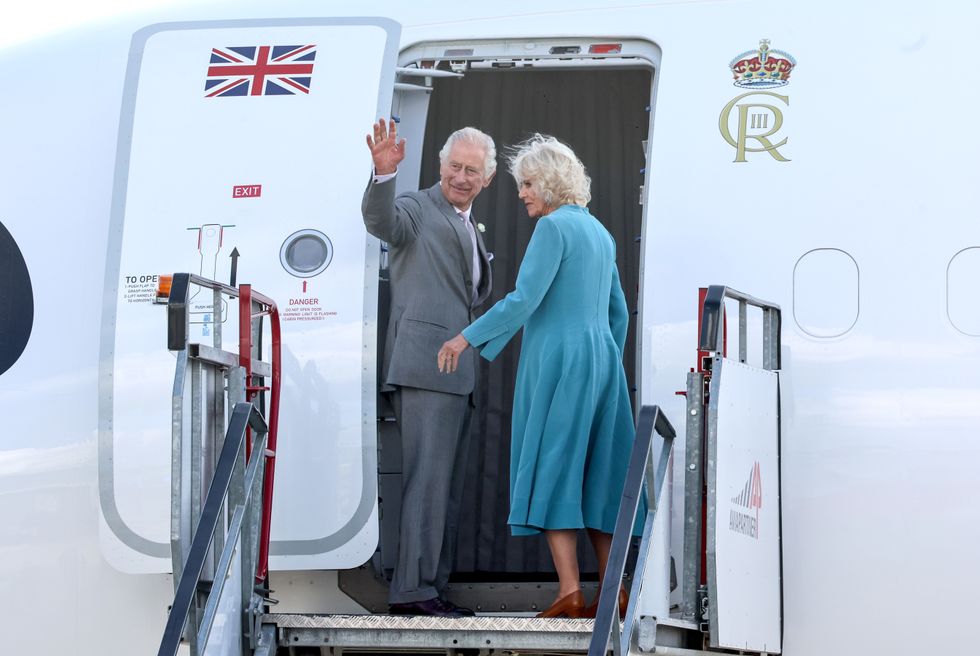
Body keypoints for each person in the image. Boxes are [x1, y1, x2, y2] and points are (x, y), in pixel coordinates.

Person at [437, 134, 638, 619]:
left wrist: (466, 338)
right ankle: (615, 590)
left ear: (549, 182)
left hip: (558, 362)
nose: (522, 193)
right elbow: (619, 312)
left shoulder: (552, 228)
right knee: (602, 471)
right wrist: (604, 355)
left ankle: (569, 591)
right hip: (603, 362)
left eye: (528, 184)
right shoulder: (600, 233)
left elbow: (524, 299)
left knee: (553, 463)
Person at [362, 119, 495, 617]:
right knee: (428, 482)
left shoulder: (469, 223)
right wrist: (383, 176)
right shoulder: (418, 207)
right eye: (455, 166)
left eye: (472, 170)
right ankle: (413, 592)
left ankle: (431, 587)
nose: (461, 177)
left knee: (446, 488)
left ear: (487, 178)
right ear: (441, 166)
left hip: (455, 373)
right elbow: (383, 222)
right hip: (425, 365)